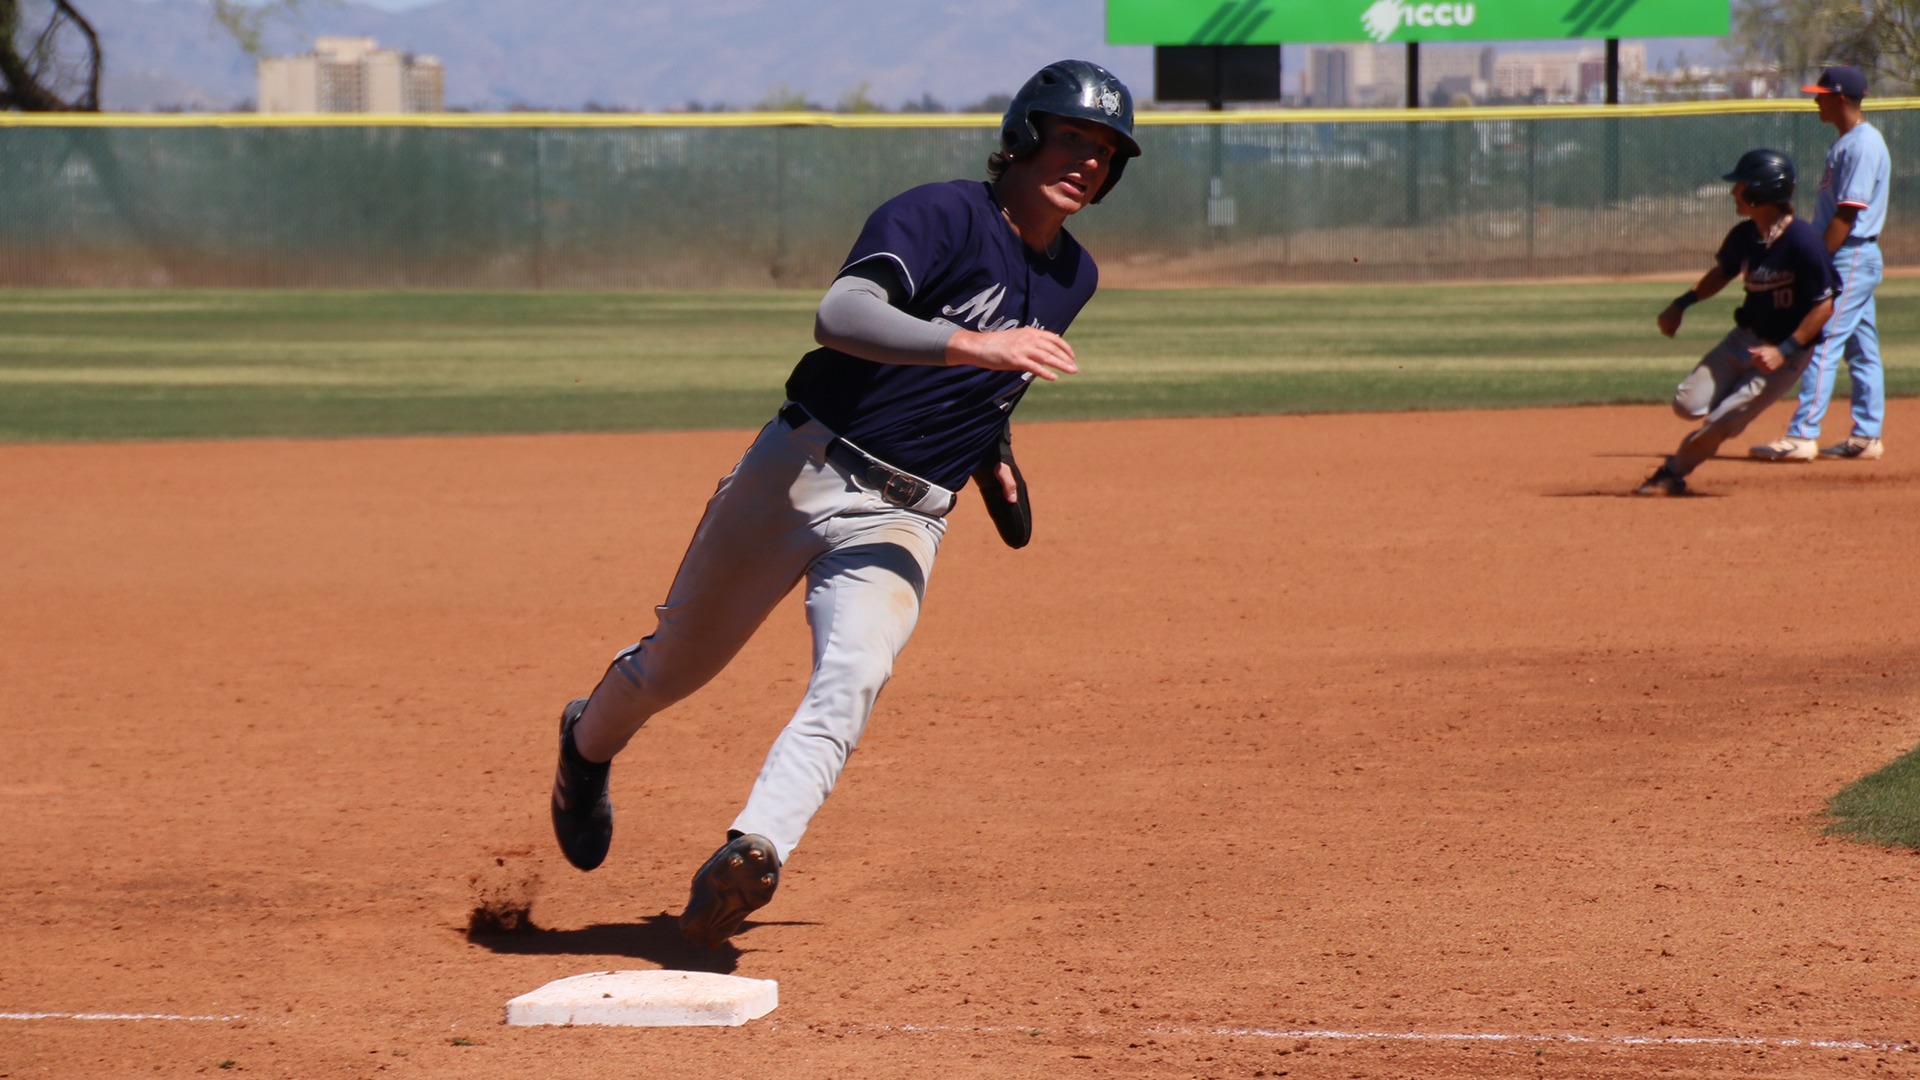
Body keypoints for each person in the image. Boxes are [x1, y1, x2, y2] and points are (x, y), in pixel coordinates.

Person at [546, 60, 1141, 948]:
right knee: (677, 665)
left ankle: (754, 848)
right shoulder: (940, 212)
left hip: (906, 515)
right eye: (1071, 138)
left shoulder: (1073, 279)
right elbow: (842, 313)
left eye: (1106, 152)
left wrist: (994, 457)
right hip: (801, 468)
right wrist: (974, 345)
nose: (1087, 162)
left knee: (854, 673)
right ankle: (584, 750)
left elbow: (987, 387)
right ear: (1022, 136)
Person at [1638, 149, 1836, 497]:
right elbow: (1722, 273)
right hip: (1741, 341)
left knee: (1717, 425)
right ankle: (1732, 409)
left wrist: (1784, 350)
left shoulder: (1803, 241)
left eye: (1741, 185)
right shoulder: (1745, 236)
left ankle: (1671, 473)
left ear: (1761, 191)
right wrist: (1681, 304)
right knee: (1686, 405)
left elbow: (1824, 306)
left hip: (1783, 355)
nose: (1734, 192)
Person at [1749, 65, 1891, 462]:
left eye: (1822, 94)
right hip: (1853, 253)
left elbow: (1846, 214)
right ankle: (1867, 435)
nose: (1816, 100)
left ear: (1840, 98)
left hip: (1851, 252)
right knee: (1862, 348)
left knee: (1822, 340)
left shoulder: (1863, 144)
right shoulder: (1849, 141)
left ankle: (1802, 434)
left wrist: (1818, 262)